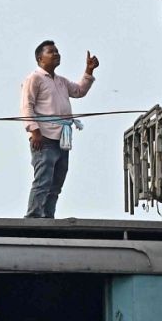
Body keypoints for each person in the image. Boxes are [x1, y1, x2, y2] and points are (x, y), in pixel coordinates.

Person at [20, 41, 97, 219]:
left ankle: (47, 216)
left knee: (56, 182)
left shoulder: (61, 81)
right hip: (44, 137)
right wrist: (34, 132)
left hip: (62, 138)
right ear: (40, 58)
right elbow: (27, 106)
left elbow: (79, 91)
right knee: (43, 180)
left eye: (57, 51)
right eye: (51, 52)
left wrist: (89, 71)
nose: (56, 54)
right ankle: (33, 217)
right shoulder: (35, 78)